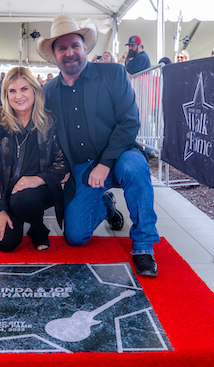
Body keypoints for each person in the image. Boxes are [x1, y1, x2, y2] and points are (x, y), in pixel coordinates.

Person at [36, 15, 159, 276]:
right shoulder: (48, 92)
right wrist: (58, 168)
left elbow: (129, 122)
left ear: (85, 48)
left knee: (136, 167)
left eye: (75, 46)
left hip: (120, 155)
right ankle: (106, 205)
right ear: (54, 55)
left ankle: (144, 245)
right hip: (81, 166)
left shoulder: (113, 74)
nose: (69, 53)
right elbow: (48, 136)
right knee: (75, 237)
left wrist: (105, 164)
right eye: (62, 48)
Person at [0, 67, 69, 252]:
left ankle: (38, 229)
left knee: (24, 200)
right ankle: (17, 214)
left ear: (35, 90)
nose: (18, 96)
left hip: (37, 190)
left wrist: (38, 179)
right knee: (6, 244)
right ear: (5, 94)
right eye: (12, 90)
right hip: (4, 190)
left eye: (24, 89)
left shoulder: (49, 120)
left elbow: (62, 164)